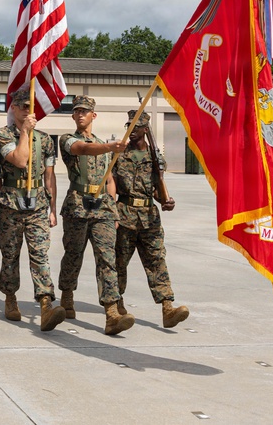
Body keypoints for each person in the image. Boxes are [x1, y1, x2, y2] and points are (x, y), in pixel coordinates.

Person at [57, 95, 135, 336]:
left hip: (102, 207)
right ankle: (67, 296)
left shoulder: (103, 144)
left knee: (106, 258)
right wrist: (111, 147)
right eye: (77, 111)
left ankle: (111, 312)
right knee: (73, 254)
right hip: (78, 205)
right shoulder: (67, 140)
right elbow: (83, 149)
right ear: (72, 116)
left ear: (94, 115)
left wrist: (112, 206)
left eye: (85, 111)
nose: (80, 114)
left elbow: (110, 179)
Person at [0, 89, 66, 332]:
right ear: (12, 108)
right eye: (22, 106)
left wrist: (52, 209)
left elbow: (49, 176)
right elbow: (19, 160)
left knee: (40, 255)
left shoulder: (44, 140)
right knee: (10, 256)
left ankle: (46, 303)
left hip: (37, 205)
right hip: (11, 204)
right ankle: (10, 297)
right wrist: (24, 132)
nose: (26, 110)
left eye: (29, 106)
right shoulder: (2, 136)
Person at [113, 110, 190, 329]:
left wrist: (167, 200)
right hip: (125, 215)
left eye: (135, 127)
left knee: (157, 261)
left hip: (149, 219)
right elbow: (112, 185)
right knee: (119, 263)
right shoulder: (119, 155)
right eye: (128, 125)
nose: (131, 130)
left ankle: (167, 308)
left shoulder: (156, 159)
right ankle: (117, 305)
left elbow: (158, 190)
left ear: (145, 130)